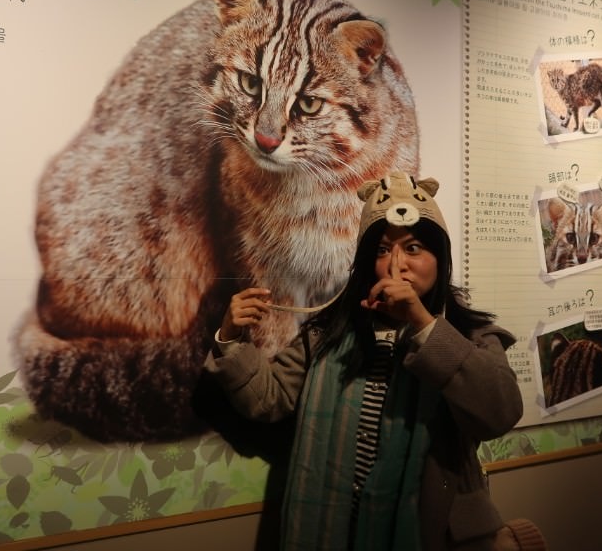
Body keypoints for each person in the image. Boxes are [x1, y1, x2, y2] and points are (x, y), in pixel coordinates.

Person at [204, 173, 527, 551]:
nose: (396, 265)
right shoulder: (329, 333)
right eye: (382, 250)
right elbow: (268, 399)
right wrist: (230, 338)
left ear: (440, 257)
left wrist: (423, 323)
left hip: (428, 532)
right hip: (333, 527)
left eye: (414, 248)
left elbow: (500, 412)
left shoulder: (471, 336)